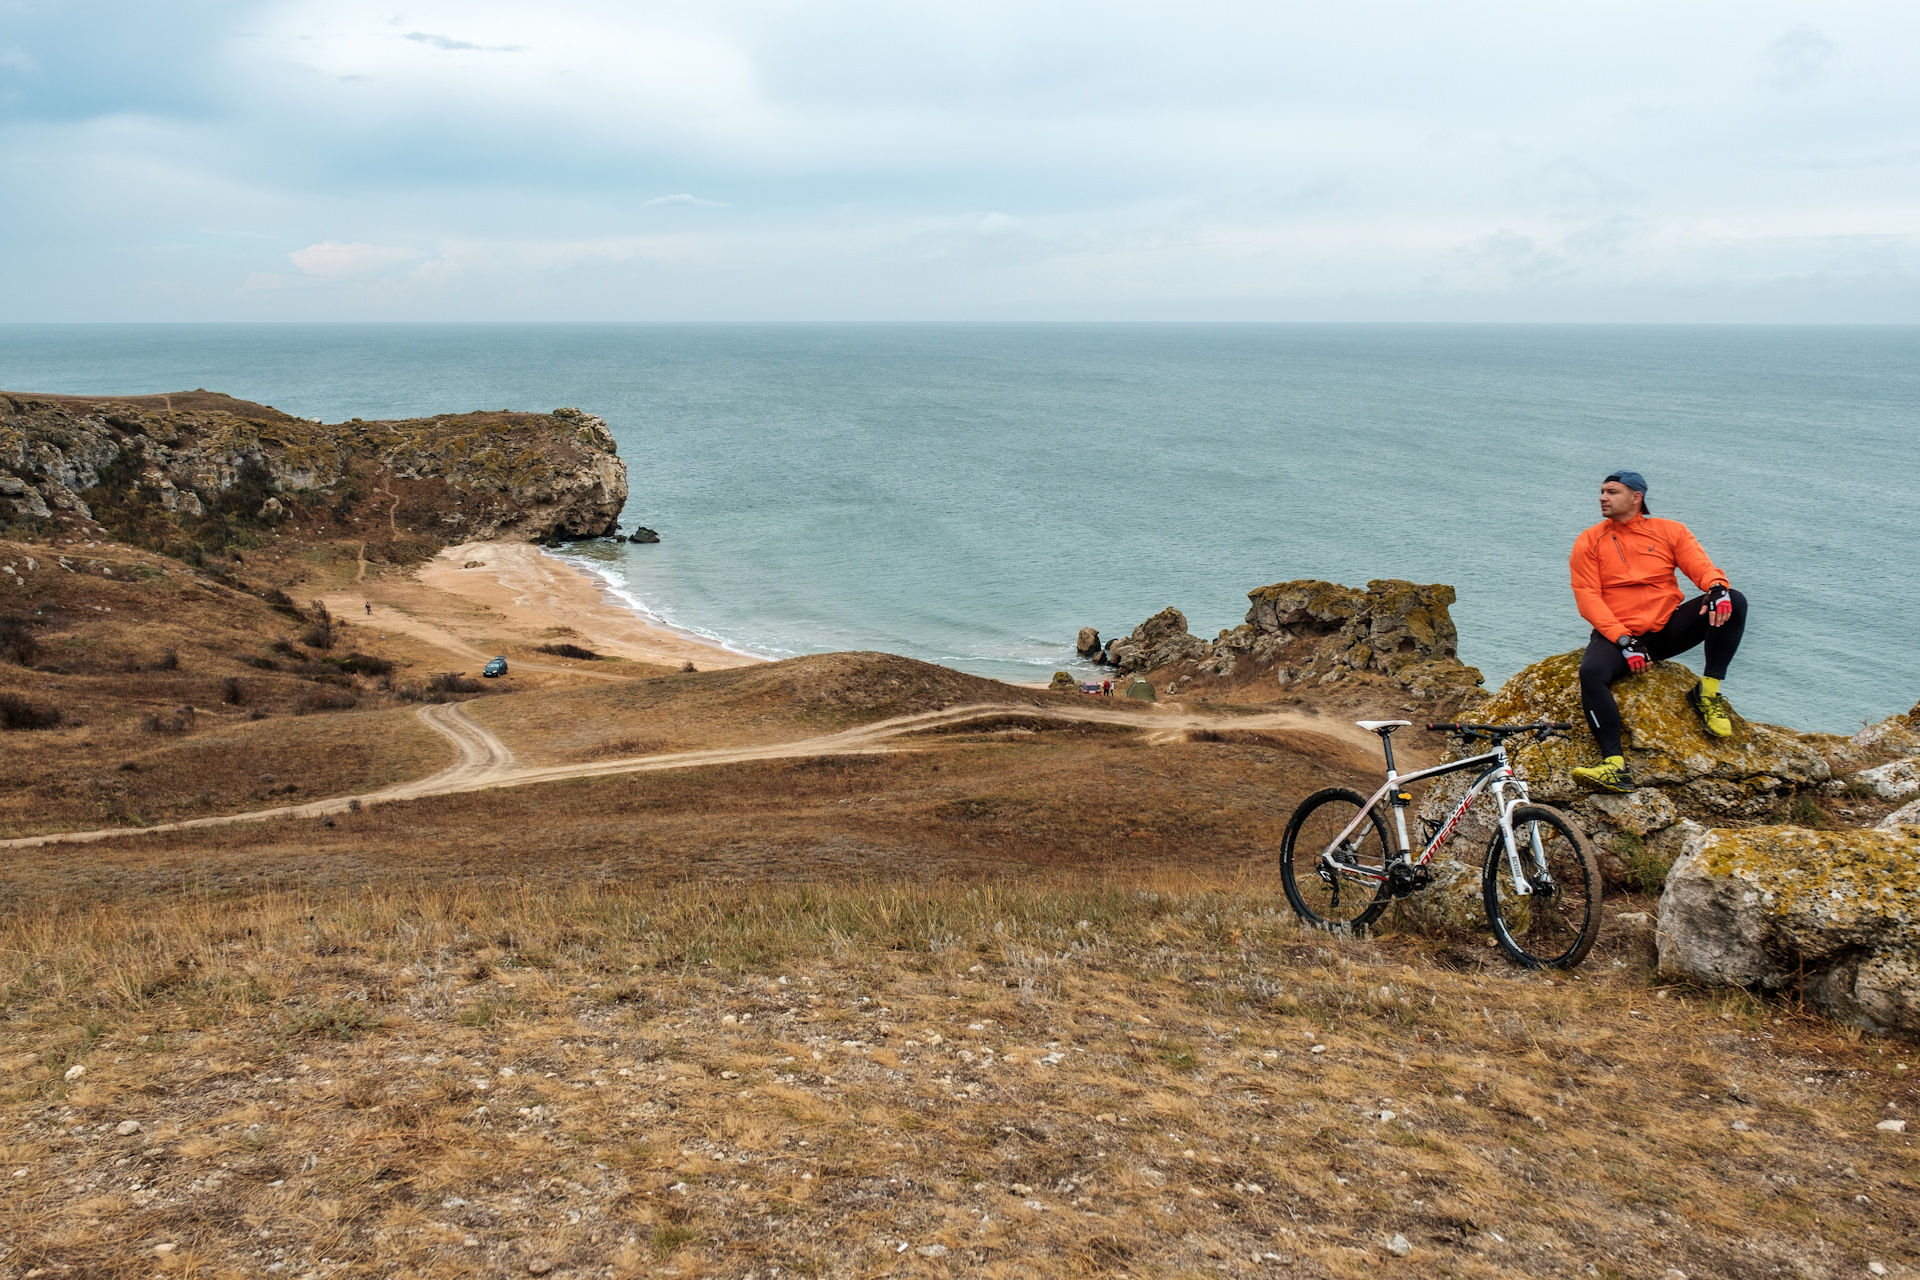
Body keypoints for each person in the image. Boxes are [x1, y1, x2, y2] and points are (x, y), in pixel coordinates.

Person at [1567, 469, 1746, 794]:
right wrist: (1623, 640)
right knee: (1591, 672)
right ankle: (1613, 766)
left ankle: (1706, 693)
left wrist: (1717, 587)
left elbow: (1701, 566)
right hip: (1618, 637)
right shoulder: (1589, 540)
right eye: (1602, 491)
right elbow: (1587, 597)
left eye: (1611, 492)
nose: (1602, 497)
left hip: (1667, 629)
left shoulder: (1670, 531)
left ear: (1637, 497)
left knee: (1732, 601)